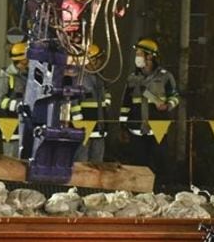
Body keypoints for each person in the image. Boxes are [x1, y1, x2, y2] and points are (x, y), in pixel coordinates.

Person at [119, 37, 180, 175]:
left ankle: (161, 191)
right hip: (136, 129)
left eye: (140, 54)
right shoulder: (132, 78)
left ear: (150, 56)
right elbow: (125, 105)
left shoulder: (165, 77)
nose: (137, 57)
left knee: (160, 161)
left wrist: (168, 105)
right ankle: (140, 194)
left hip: (157, 129)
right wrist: (122, 127)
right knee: (138, 164)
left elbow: (175, 97)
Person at [72, 43, 112, 163]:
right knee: (81, 161)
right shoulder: (78, 78)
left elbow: (107, 95)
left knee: (97, 162)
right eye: (98, 59)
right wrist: (79, 123)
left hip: (99, 127)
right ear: (90, 60)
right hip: (84, 129)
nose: (100, 62)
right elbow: (73, 102)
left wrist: (106, 109)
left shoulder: (100, 77)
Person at [0, 41, 28, 158]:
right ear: (22, 59)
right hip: (10, 124)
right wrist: (17, 105)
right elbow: (0, 100)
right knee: (11, 158)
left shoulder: (27, 76)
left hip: (24, 122)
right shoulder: (6, 77)